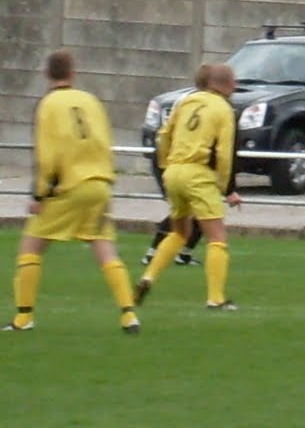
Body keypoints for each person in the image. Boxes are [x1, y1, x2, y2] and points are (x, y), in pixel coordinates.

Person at [5, 50, 139, 334]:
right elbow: (105, 141)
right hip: (100, 184)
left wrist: (39, 195)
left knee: (31, 247)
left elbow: (47, 155)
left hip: (69, 186)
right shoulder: (91, 101)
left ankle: (23, 318)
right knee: (103, 246)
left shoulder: (48, 105)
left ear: (45, 74)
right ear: (73, 72)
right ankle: (128, 314)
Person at [137, 63, 245, 310]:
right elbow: (225, 153)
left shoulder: (185, 101)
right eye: (234, 82)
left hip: (174, 171)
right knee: (217, 238)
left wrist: (166, 165)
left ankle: (147, 277)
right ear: (226, 84)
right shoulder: (224, 109)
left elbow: (163, 135)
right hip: (199, 174)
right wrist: (227, 188)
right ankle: (216, 298)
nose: (236, 86)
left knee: (180, 233)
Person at [142, 62, 213, 267]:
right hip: (174, 161)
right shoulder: (195, 103)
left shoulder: (192, 101)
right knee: (186, 211)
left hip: (175, 161)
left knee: (195, 210)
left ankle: (181, 253)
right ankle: (155, 252)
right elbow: (167, 135)